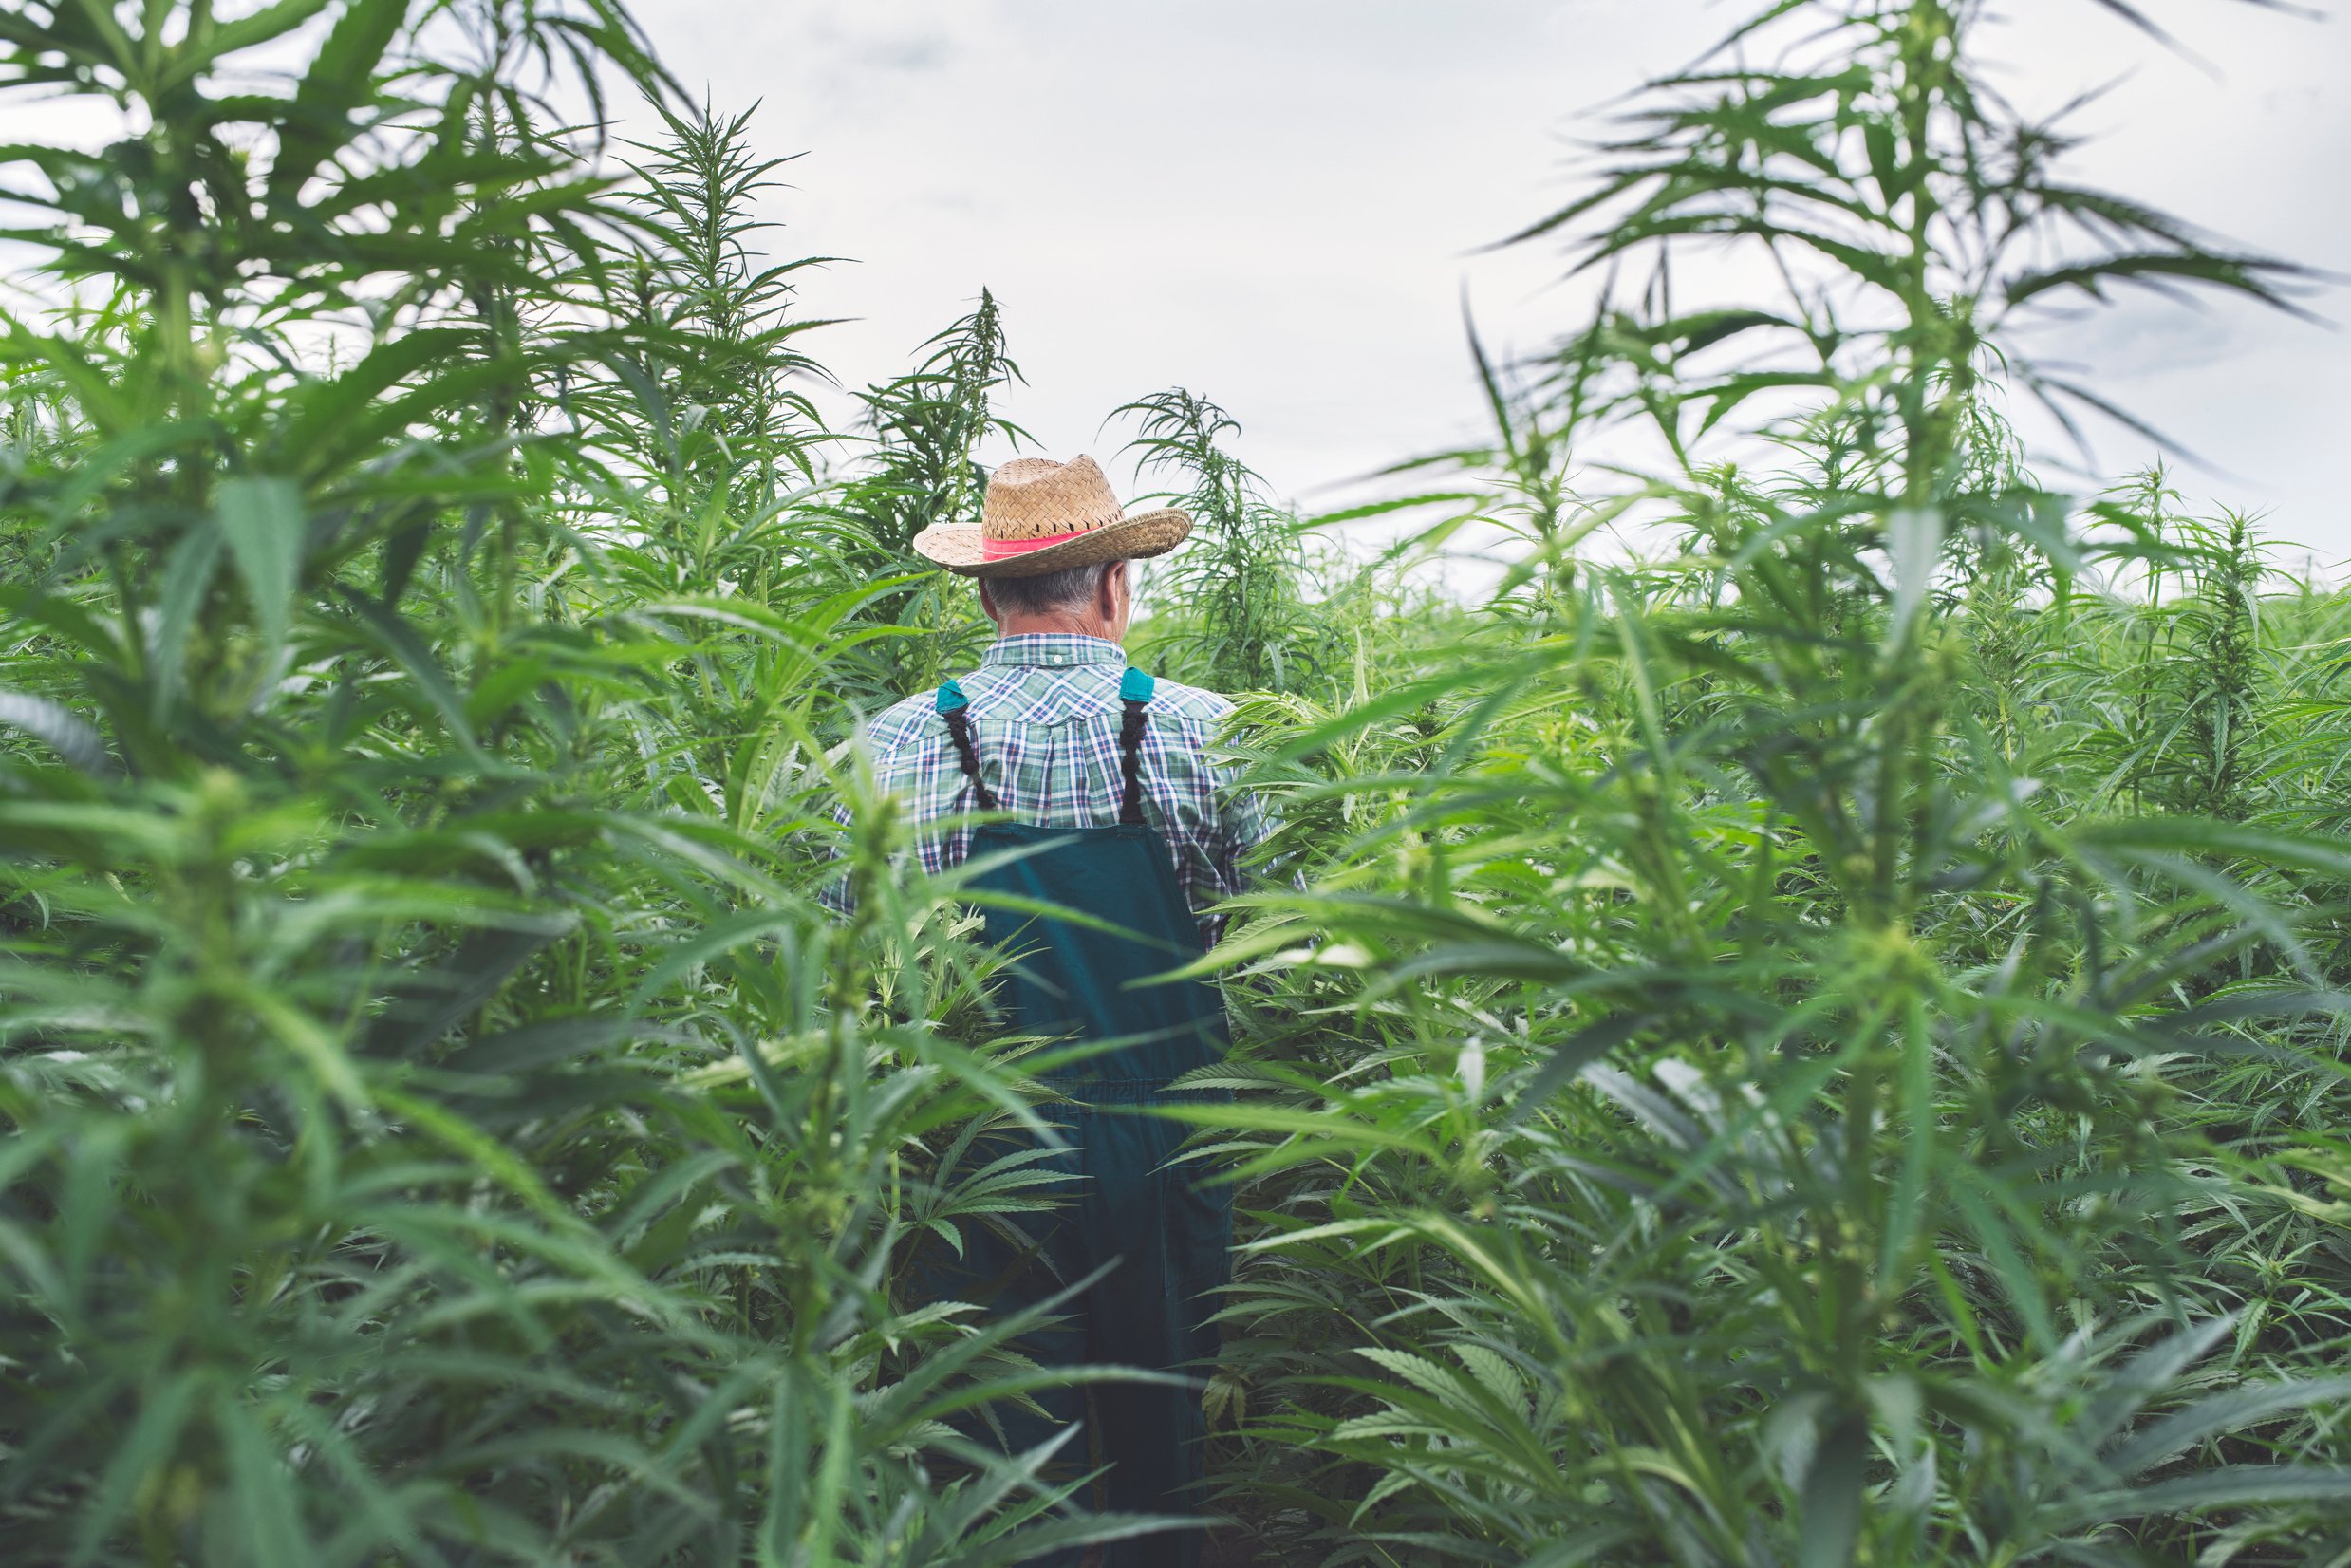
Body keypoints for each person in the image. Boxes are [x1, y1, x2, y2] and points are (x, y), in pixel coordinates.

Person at [847, 453, 1270, 1568]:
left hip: (971, 1139)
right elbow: (1295, 945)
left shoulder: (891, 742)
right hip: (1166, 1133)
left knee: (992, 1451)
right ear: (1115, 585)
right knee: (1156, 1437)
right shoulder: (1206, 731)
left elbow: (843, 958)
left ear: (987, 593)